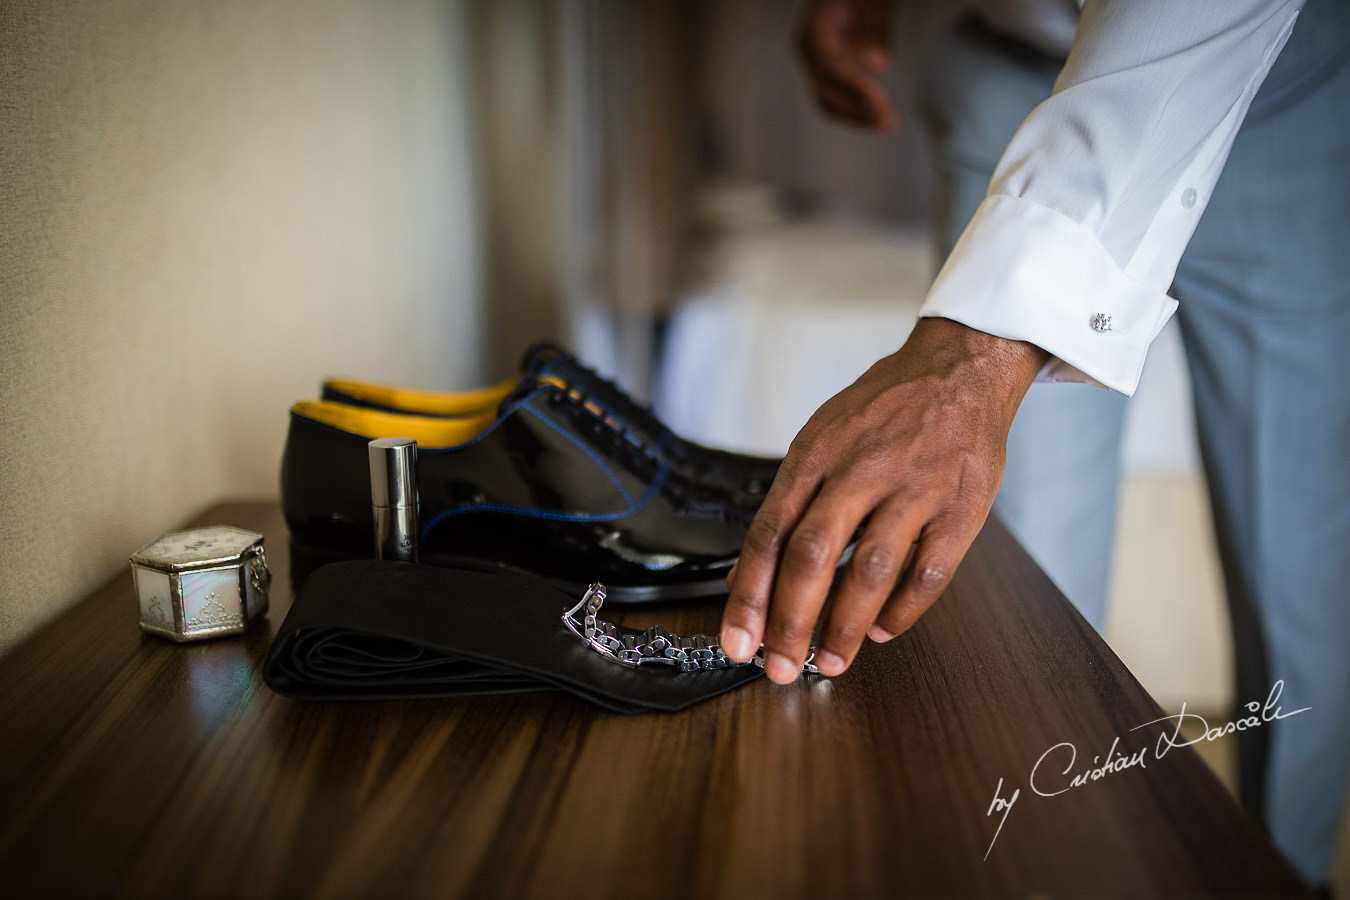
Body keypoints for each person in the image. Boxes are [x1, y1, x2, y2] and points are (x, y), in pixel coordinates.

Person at [717, 0, 1350, 887]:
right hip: (1016, 85)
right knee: (1018, 612)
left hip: (1285, 103)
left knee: (1302, 588)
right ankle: (1039, 868)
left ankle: (1294, 875)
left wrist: (971, 353)